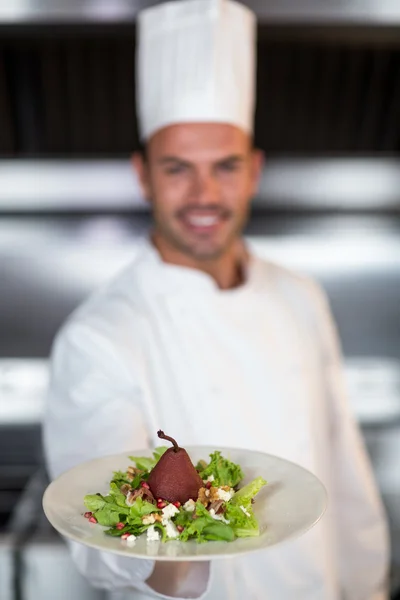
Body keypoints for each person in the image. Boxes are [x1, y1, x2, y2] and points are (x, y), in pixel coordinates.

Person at [43, 0, 389, 598]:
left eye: (225, 166)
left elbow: (347, 476)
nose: (205, 194)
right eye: (178, 168)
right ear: (143, 175)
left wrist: (370, 586)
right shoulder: (100, 335)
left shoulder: (300, 295)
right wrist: (151, 541)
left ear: (254, 172)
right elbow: (96, 533)